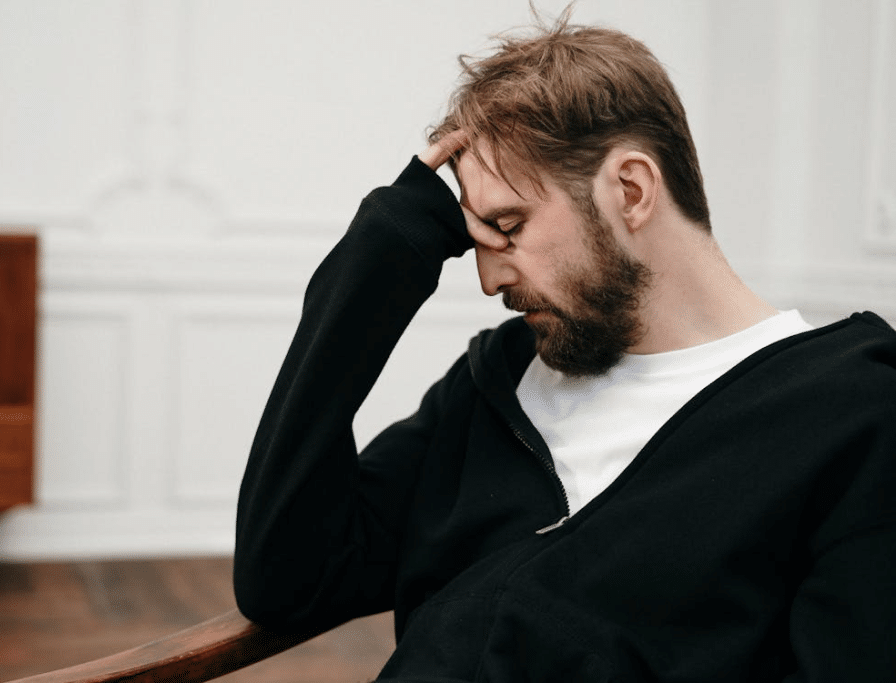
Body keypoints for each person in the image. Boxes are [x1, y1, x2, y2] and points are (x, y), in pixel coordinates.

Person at [233, 12, 896, 683]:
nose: (489, 277)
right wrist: (381, 255)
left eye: (507, 226)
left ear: (630, 190)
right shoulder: (498, 382)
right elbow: (285, 578)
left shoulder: (849, 415)